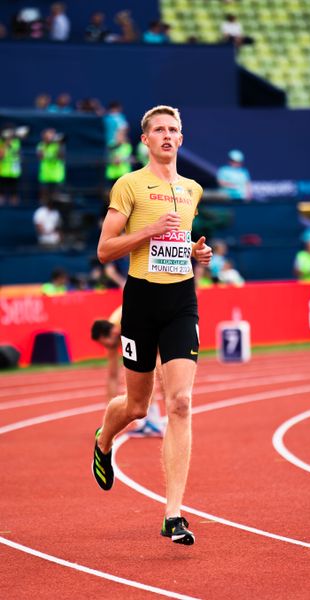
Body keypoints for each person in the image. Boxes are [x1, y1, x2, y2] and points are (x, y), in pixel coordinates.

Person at [92, 105, 212, 546]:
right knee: (139, 407)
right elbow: (105, 249)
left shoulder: (192, 189)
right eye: (158, 129)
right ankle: (105, 439)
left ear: (182, 138)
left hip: (181, 300)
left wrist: (196, 254)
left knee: (179, 402)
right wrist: (147, 232)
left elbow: (178, 245)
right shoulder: (129, 185)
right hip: (141, 301)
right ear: (145, 139)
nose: (167, 135)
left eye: (173, 129)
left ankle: (173, 514)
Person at [91, 307, 165, 437]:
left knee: (154, 369)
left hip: (155, 320)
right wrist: (110, 413)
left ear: (113, 332)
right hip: (143, 324)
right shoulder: (112, 339)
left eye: (107, 344)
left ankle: (156, 420)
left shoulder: (127, 322)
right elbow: (112, 376)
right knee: (142, 371)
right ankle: (152, 421)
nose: (108, 347)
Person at [36, 128, 66, 204]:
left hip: (57, 175)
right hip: (45, 175)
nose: (51, 136)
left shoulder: (59, 145)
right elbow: (40, 157)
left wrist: (58, 144)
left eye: (52, 134)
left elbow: (61, 156)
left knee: (56, 196)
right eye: (48, 135)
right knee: (44, 196)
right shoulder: (41, 145)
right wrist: (46, 144)